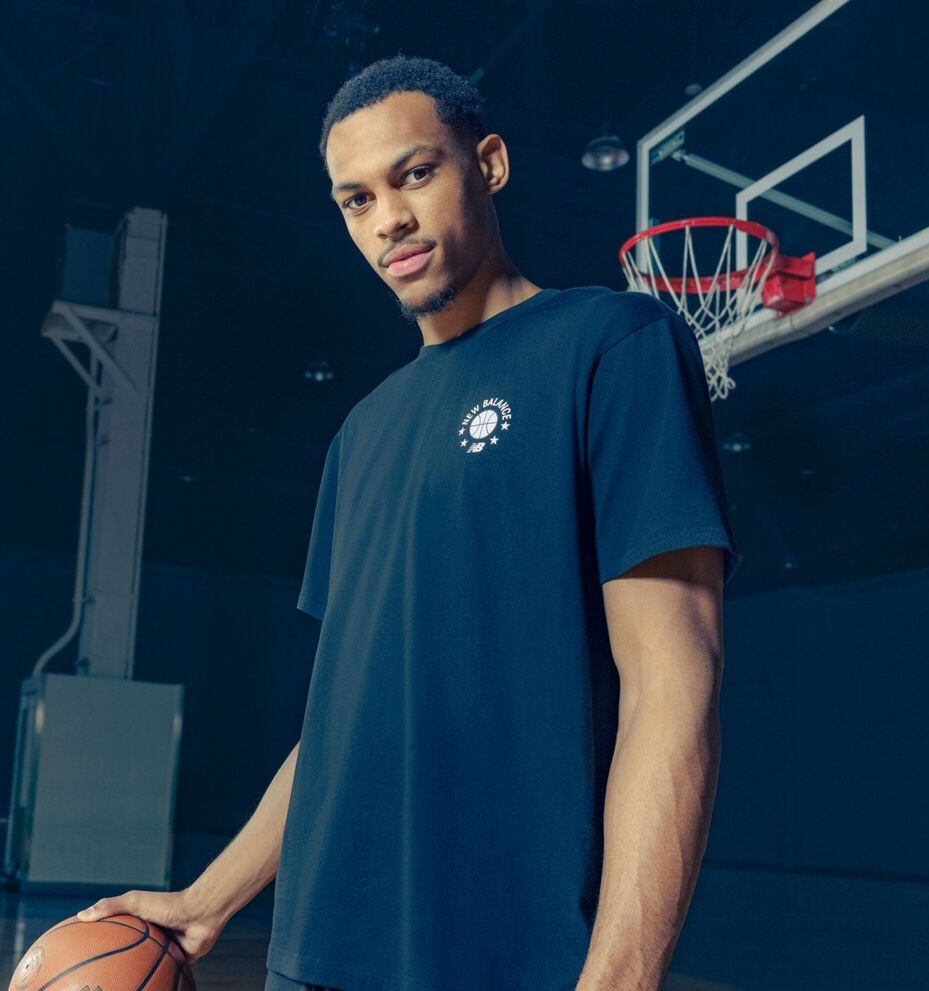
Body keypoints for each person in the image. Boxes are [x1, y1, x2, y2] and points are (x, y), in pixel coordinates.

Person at [77, 54, 742, 991]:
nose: (387, 218)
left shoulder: (611, 346)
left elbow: (674, 683)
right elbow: (343, 726)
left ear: (492, 163)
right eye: (354, 200)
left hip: (504, 960)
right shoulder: (361, 435)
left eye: (414, 174)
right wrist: (206, 899)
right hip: (314, 956)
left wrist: (619, 978)